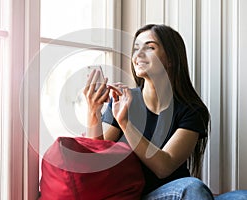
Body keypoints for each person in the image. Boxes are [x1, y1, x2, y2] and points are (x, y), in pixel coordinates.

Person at [83, 24, 247, 199]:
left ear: (171, 59)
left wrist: (126, 124)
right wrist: (93, 112)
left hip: (178, 192)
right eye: (136, 49)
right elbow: (96, 159)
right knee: (193, 187)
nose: (138, 55)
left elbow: (164, 166)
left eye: (150, 47)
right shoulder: (123, 102)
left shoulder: (191, 110)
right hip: (141, 195)